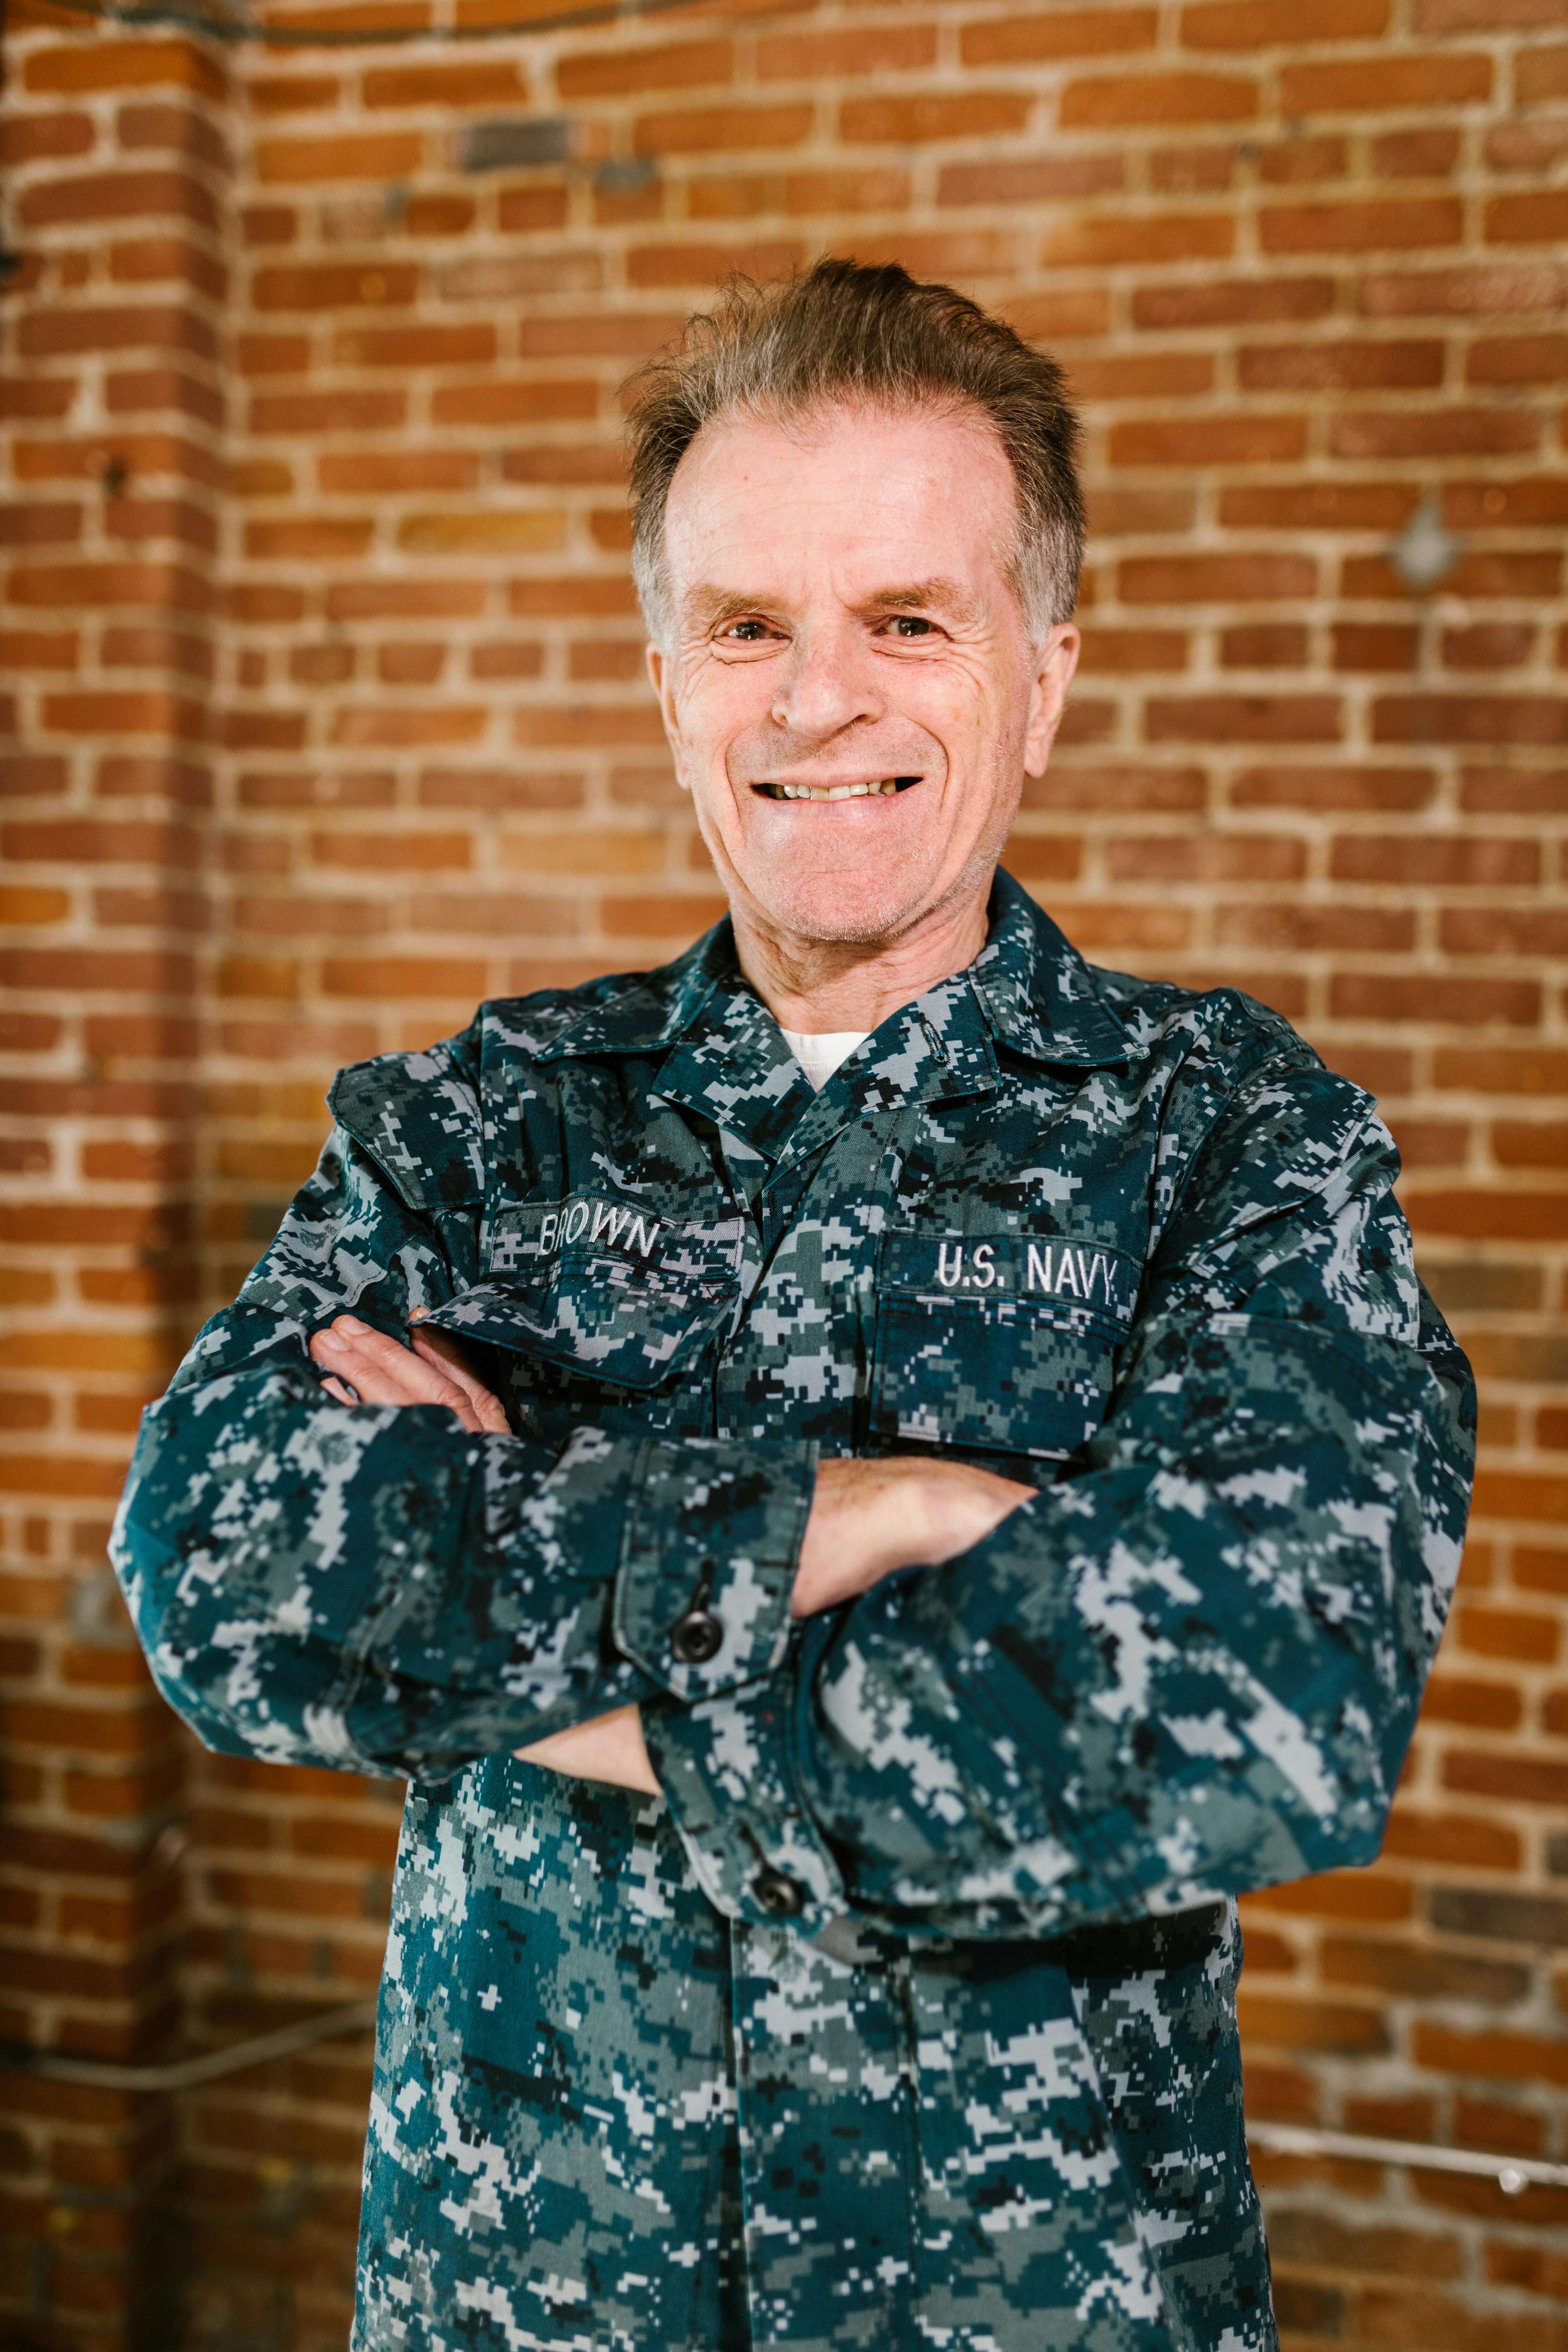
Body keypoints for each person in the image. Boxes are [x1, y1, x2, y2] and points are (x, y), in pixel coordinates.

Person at [112, 259, 1475, 2352]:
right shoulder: (486, 1127)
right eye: (747, 626)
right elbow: (217, 1567)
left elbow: (1263, 1710)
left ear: (1048, 675)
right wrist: (894, 1523)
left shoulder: (1240, 1144)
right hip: (516, 2304)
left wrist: (509, 1601)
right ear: (669, 681)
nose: (816, 701)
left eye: (909, 622)